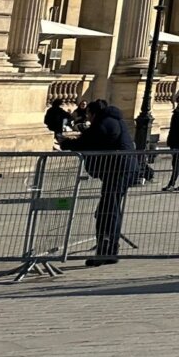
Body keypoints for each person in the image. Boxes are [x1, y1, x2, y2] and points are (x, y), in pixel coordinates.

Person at [59, 99, 139, 265]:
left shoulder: (104, 123)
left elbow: (88, 142)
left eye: (88, 114)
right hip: (122, 169)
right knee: (111, 209)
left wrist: (66, 143)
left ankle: (104, 251)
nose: (88, 117)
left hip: (117, 171)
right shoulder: (114, 120)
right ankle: (110, 251)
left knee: (107, 211)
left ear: (93, 113)